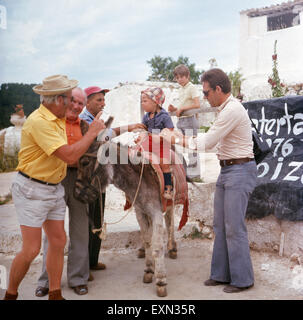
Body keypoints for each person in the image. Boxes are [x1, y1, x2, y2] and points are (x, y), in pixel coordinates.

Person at [3, 75, 105, 300]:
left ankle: (54, 293)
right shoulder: (40, 121)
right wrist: (92, 133)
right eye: (70, 99)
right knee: (31, 249)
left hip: (53, 187)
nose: (73, 104)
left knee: (58, 241)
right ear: (59, 99)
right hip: (33, 189)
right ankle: (10, 294)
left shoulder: (57, 115)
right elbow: (68, 155)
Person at [160, 68, 257, 293]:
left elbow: (206, 142)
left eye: (206, 93)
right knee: (220, 225)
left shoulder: (232, 110)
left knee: (234, 227)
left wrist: (177, 138)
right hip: (229, 170)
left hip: (239, 171)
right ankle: (220, 274)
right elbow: (212, 142)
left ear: (218, 90)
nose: (204, 97)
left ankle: (243, 280)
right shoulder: (224, 108)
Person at [35, 87, 91, 297]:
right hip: (54, 179)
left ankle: (78, 279)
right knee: (52, 234)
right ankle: (47, 281)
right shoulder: (51, 123)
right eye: (74, 101)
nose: (76, 106)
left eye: (80, 104)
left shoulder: (85, 126)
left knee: (80, 231)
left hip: (78, 179)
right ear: (65, 100)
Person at [139, 87, 174, 199]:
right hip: (148, 143)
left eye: (145, 101)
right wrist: (141, 136)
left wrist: (160, 136)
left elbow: (170, 130)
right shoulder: (146, 116)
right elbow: (144, 129)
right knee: (135, 157)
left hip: (161, 144)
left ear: (155, 102)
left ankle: (168, 187)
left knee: (164, 163)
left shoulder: (164, 116)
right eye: (142, 101)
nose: (142, 103)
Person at [168, 64, 201, 179]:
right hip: (181, 121)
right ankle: (185, 172)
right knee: (177, 146)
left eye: (182, 77)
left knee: (192, 148)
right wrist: (175, 109)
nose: (179, 80)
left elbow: (197, 104)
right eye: (177, 78)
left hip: (190, 120)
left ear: (188, 76)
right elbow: (183, 105)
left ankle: (195, 175)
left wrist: (182, 109)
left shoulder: (191, 87)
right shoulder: (180, 89)